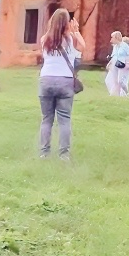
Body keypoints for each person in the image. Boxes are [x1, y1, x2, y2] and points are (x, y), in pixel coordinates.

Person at [38, 9, 85, 159]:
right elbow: (83, 47)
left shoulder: (44, 39)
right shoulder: (71, 39)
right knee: (64, 120)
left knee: (46, 119)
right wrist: (76, 31)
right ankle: (64, 155)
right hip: (65, 81)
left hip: (46, 80)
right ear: (67, 23)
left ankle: (44, 153)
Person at [104, 31, 129, 97]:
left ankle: (127, 93)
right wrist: (109, 63)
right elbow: (114, 55)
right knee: (113, 80)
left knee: (120, 81)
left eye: (112, 38)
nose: (111, 39)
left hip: (123, 65)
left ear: (116, 38)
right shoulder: (116, 47)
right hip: (116, 64)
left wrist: (128, 64)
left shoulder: (124, 46)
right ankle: (114, 94)